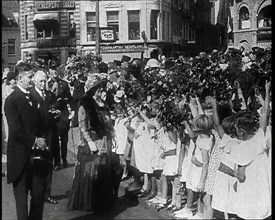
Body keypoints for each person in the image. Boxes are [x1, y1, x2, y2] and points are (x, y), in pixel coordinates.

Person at [68, 73, 122, 212]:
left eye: (101, 88)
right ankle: (91, 201)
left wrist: (112, 134)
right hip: (93, 139)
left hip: (105, 140)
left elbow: (108, 121)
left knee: (105, 169)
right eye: (98, 89)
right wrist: (89, 141)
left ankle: (103, 200)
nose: (101, 91)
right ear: (92, 90)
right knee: (94, 169)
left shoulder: (103, 103)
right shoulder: (85, 104)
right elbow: (82, 125)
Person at [4, 62, 48, 220]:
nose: (32, 80)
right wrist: (36, 140)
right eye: (30, 77)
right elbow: (16, 131)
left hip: (37, 158)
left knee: (38, 197)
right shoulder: (12, 100)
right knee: (22, 204)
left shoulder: (35, 99)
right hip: (20, 160)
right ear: (20, 78)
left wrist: (44, 139)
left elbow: (41, 123)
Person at [30, 70, 58, 205]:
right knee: (37, 164)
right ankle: (36, 193)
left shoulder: (50, 95)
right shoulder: (31, 95)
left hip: (50, 134)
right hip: (38, 135)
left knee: (48, 163)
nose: (43, 84)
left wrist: (56, 114)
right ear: (35, 82)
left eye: (45, 81)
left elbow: (53, 110)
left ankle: (47, 193)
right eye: (40, 81)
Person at [49, 64, 73, 170]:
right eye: (52, 70)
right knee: (54, 139)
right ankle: (57, 162)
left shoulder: (63, 84)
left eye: (56, 69)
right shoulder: (46, 84)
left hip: (63, 114)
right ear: (49, 71)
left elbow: (70, 98)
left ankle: (64, 158)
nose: (54, 72)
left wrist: (72, 112)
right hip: (52, 114)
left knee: (64, 138)